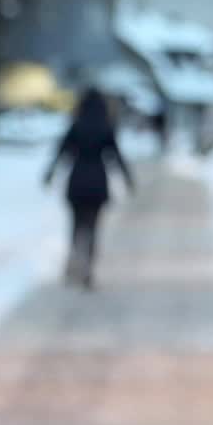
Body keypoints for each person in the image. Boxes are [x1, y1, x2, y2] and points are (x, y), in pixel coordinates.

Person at [44, 87, 134, 290]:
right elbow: (116, 155)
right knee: (93, 228)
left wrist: (50, 174)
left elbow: (62, 153)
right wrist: (127, 178)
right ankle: (87, 269)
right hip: (97, 183)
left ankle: (74, 264)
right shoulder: (105, 127)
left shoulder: (76, 125)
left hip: (76, 182)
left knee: (76, 226)